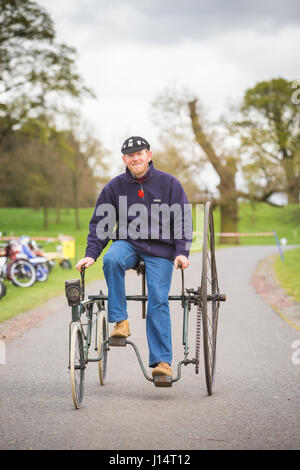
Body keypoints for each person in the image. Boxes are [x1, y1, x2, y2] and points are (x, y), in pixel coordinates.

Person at [76, 136, 192, 378]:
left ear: (148, 155)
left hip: (161, 249)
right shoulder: (115, 187)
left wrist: (181, 252)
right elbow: (102, 223)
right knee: (111, 259)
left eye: (140, 154)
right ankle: (120, 321)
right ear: (124, 159)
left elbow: (182, 220)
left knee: (158, 299)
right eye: (130, 155)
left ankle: (162, 362)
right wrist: (91, 254)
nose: (135, 158)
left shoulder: (170, 184)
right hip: (128, 243)